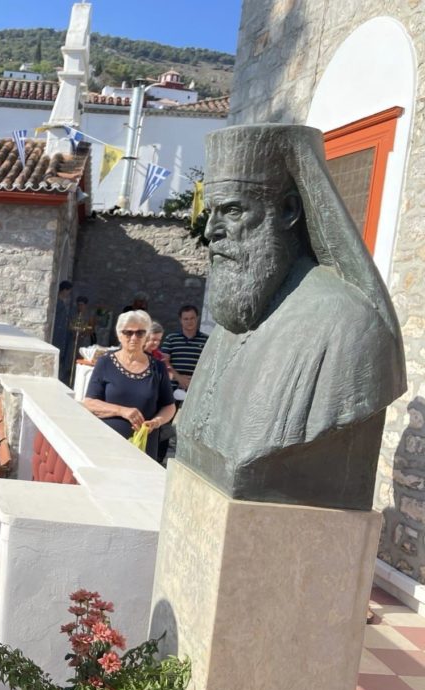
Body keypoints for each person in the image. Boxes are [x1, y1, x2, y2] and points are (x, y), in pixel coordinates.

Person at [176, 124, 405, 508]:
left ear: (287, 211)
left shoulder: (346, 325)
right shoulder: (234, 321)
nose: (212, 231)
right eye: (211, 212)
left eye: (232, 210)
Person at [83, 309, 176, 461]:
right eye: (128, 333)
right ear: (119, 335)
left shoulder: (158, 367)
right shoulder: (105, 363)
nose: (134, 337)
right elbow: (89, 403)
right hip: (108, 444)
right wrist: (122, 411)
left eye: (140, 333)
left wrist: (156, 421)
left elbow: (169, 406)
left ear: (146, 336)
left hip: (144, 446)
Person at [161, 305, 207, 391]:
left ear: (197, 318)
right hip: (171, 390)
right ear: (180, 320)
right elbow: (163, 362)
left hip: (196, 389)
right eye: (186, 319)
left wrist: (195, 381)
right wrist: (179, 378)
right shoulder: (171, 338)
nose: (189, 321)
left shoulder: (207, 340)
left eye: (192, 318)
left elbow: (210, 364)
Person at [52, 279, 74, 382]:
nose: (68, 294)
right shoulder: (58, 303)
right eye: (68, 291)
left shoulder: (61, 302)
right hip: (57, 334)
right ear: (64, 290)